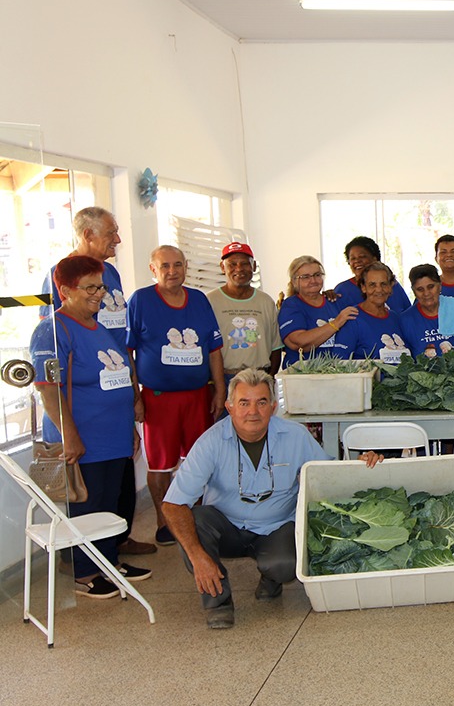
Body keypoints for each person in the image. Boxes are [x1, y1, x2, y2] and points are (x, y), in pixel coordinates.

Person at [161, 369, 383, 628]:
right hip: (227, 527)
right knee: (195, 522)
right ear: (230, 407)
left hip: (276, 526)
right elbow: (172, 504)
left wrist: (360, 462)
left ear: (274, 407)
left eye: (261, 402)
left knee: (285, 565)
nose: (252, 411)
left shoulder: (296, 435)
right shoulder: (210, 443)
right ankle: (218, 601)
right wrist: (198, 557)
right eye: (244, 403)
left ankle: (271, 578)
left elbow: (324, 475)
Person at [30, 256, 150, 598]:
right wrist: (70, 435)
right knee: (88, 505)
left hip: (112, 437)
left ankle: (108, 561)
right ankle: (85, 572)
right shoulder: (53, 331)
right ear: (65, 291)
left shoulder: (98, 328)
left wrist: (128, 428)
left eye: (102, 286)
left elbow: (116, 379)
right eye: (91, 287)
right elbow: (47, 388)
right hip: (83, 439)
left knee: (109, 504)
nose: (100, 294)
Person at [125, 245, 225, 547]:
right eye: (165, 266)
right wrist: (135, 397)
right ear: (153, 269)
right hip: (158, 397)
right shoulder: (141, 300)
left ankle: (194, 517)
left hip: (196, 395)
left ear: (186, 267)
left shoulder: (198, 299)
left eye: (178, 265)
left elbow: (214, 348)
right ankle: (164, 520)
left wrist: (219, 388)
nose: (172, 271)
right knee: (160, 464)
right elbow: (127, 352)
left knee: (197, 460)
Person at [206, 241, 282, 398]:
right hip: (223, 380)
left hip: (259, 378)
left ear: (253, 267)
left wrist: (270, 377)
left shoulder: (266, 301)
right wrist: (213, 383)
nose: (239, 269)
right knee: (223, 423)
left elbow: (275, 347)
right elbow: (205, 347)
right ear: (222, 267)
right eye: (232, 264)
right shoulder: (209, 301)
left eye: (245, 264)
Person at [40, 207, 129, 330]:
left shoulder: (110, 271)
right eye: (110, 233)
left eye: (116, 232)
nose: (118, 239)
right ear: (88, 236)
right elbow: (49, 330)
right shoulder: (59, 274)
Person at [278, 255, 358, 368]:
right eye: (305, 277)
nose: (313, 281)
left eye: (317, 275)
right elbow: (299, 343)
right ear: (295, 282)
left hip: (337, 373)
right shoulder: (291, 306)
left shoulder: (335, 300)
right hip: (304, 375)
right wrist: (336, 323)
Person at [341, 262, 409, 362]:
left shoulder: (395, 318)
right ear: (363, 287)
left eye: (383, 284)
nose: (378, 290)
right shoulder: (352, 319)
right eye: (372, 285)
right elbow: (340, 361)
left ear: (391, 286)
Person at [331, 236, 411, 313]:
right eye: (353, 258)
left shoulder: (392, 285)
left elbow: (407, 315)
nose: (357, 261)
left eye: (362, 257)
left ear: (375, 259)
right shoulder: (342, 290)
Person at [398, 264, 454, 357]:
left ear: (440, 286)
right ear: (413, 291)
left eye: (431, 287)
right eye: (420, 289)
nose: (426, 293)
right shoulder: (405, 320)